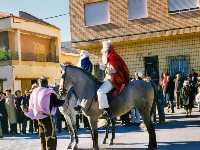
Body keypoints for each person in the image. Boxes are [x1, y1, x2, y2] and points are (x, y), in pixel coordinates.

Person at [23, 77, 64, 150]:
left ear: (39, 84)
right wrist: (64, 99)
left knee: (43, 139)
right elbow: (56, 103)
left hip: (39, 118)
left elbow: (31, 106)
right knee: (51, 139)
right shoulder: (49, 92)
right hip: (47, 118)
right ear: (47, 83)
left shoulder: (34, 92)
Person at [97, 40, 129, 118]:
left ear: (106, 50)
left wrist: (106, 69)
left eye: (104, 51)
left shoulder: (112, 57)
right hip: (108, 78)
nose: (103, 53)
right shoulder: (110, 56)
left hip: (114, 79)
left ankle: (106, 110)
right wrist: (103, 67)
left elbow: (114, 70)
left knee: (100, 92)